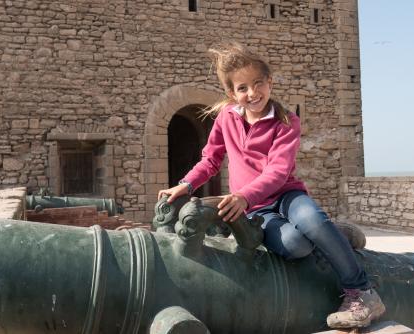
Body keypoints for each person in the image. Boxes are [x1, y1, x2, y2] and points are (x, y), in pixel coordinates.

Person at [158, 41, 385, 329]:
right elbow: (210, 160)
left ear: (270, 82)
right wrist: (186, 185)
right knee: (295, 245)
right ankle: (334, 234)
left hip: (286, 195)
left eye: (258, 84)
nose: (252, 93)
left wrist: (242, 196)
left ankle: (362, 292)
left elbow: (278, 172)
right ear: (231, 93)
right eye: (243, 88)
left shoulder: (286, 121)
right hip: (258, 210)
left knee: (311, 219)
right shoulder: (226, 118)